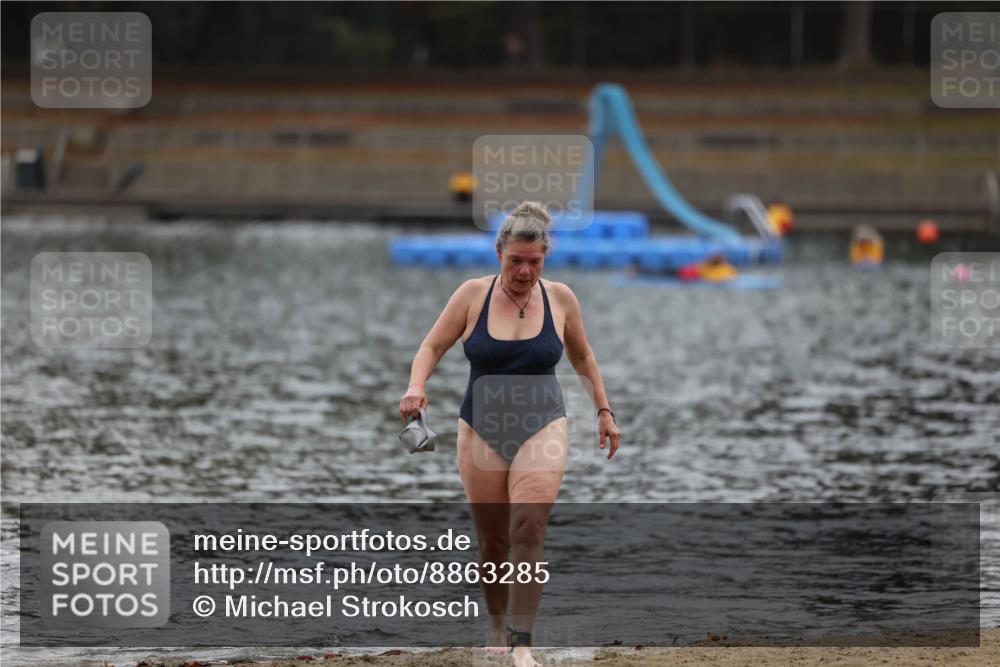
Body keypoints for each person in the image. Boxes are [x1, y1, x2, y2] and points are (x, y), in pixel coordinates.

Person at [399, 201, 621, 667]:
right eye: (515, 260)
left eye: (533, 262)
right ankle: (498, 624)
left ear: (545, 258)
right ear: (498, 253)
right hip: (480, 427)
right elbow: (431, 346)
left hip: (543, 425)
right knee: (494, 543)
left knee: (528, 527)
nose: (524, 271)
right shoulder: (471, 295)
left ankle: (523, 644)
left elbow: (583, 356)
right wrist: (416, 386)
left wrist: (604, 410)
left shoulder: (561, 299)